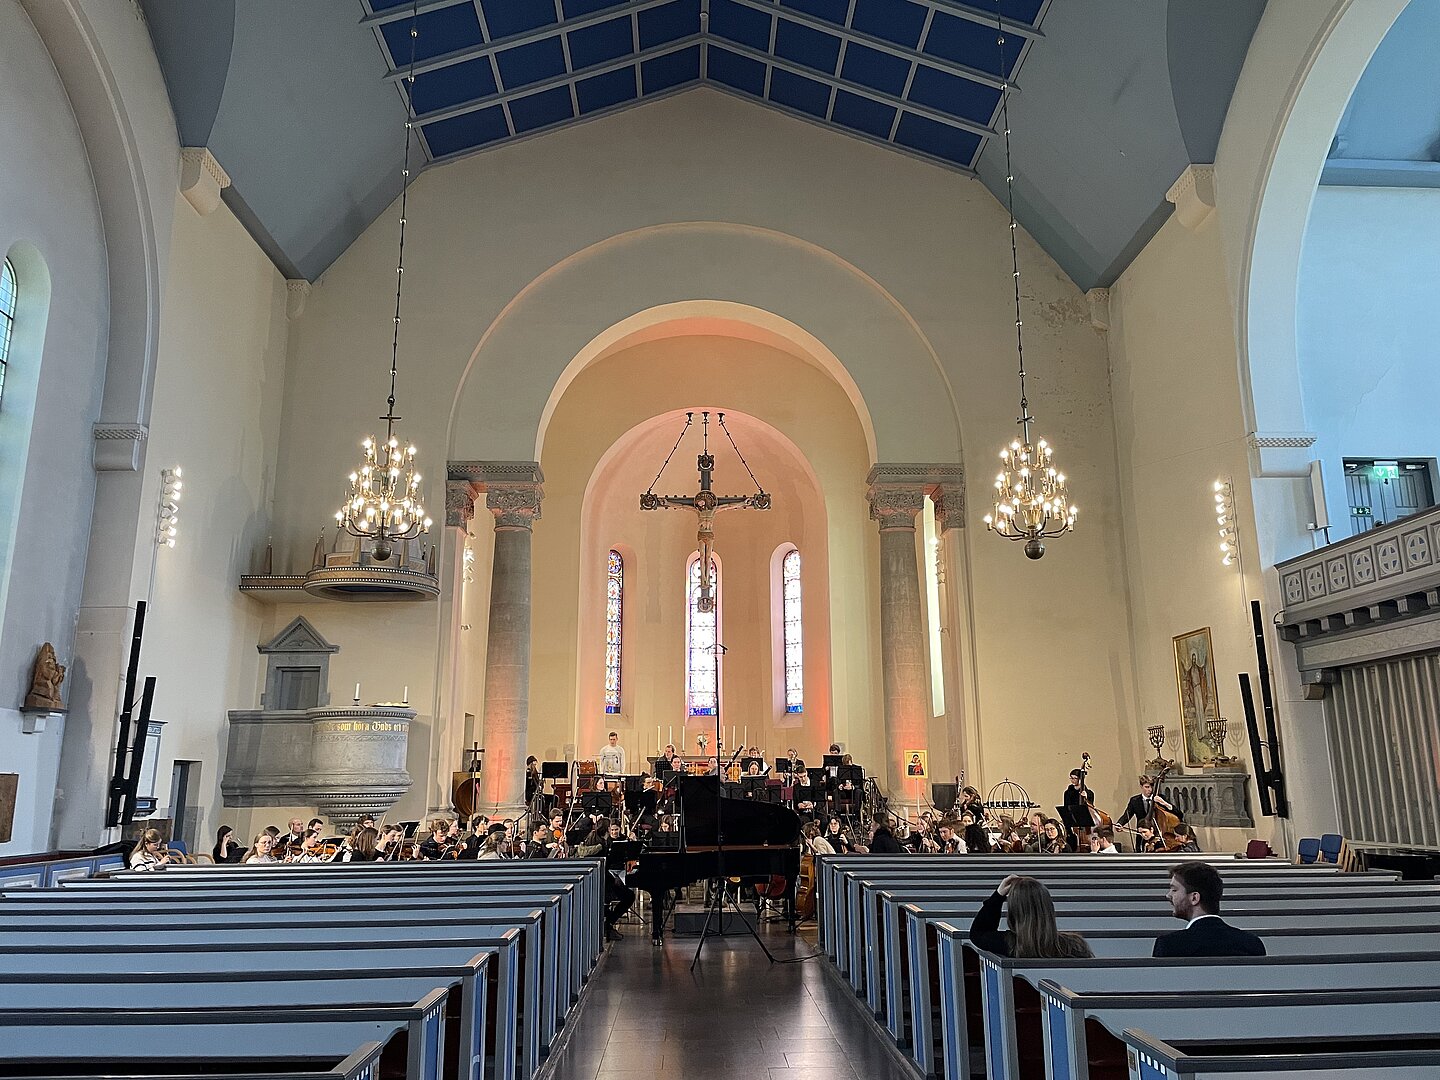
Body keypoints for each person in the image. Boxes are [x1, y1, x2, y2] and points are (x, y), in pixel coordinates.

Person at [1154, 862, 1265, 957]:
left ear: (1194, 898)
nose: (1168, 895)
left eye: (1174, 890)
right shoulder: (1251, 943)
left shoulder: (1169, 945)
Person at [970, 875, 1093, 958]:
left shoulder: (1009, 944)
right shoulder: (1074, 945)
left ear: (1014, 913)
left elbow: (978, 933)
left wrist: (998, 896)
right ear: (1048, 908)